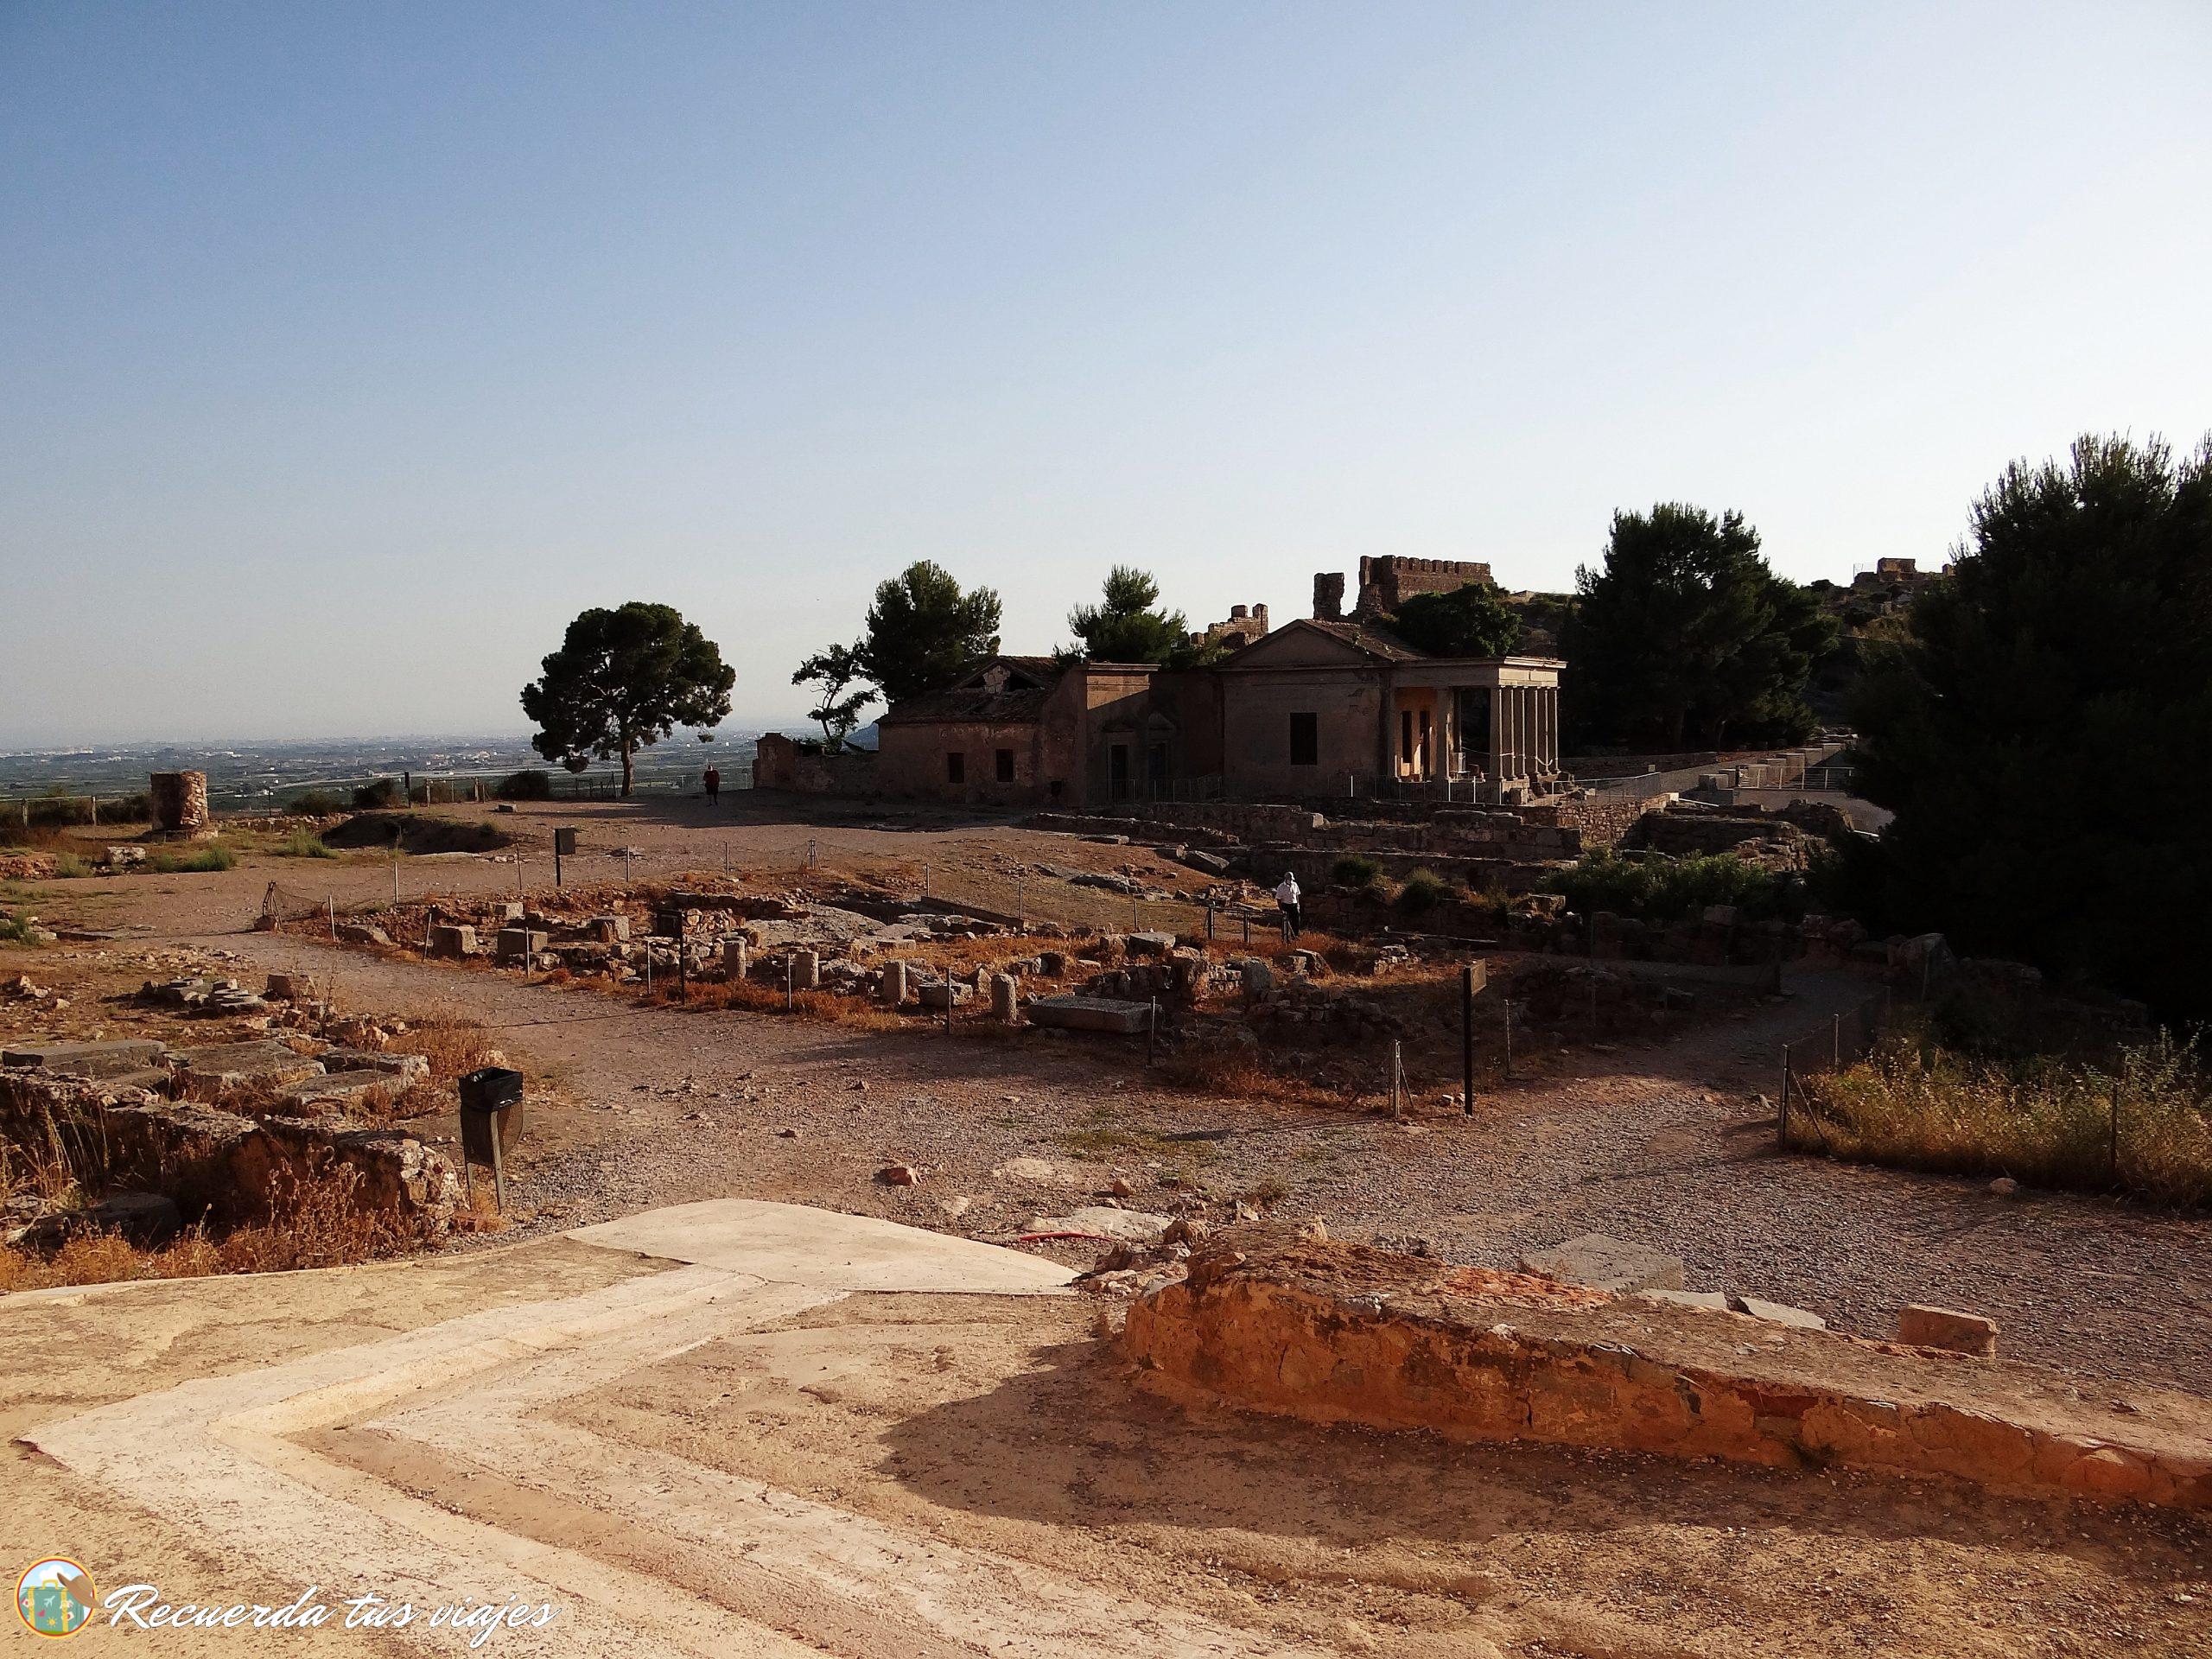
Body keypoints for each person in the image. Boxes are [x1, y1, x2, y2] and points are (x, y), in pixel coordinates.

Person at [1274, 870, 1302, 939]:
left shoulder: (1295, 885)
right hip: (1286, 906)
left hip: (1294, 905)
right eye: (1289, 879)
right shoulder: (1281, 887)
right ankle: (1285, 938)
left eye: (1291, 879)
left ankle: (1295, 936)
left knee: (1296, 921)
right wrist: (1281, 910)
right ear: (1286, 879)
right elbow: (1278, 899)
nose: (1291, 881)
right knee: (1285, 923)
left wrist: (1298, 905)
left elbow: (1297, 895)